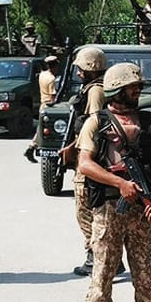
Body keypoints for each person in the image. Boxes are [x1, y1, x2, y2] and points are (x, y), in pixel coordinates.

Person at [78, 63, 151, 302]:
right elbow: (85, 164)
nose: (138, 91)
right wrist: (120, 183)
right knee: (104, 267)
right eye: (133, 87)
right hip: (109, 208)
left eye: (138, 87)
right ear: (117, 89)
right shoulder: (97, 122)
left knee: (145, 268)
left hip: (142, 210)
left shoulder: (149, 121)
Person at [54, 47, 119, 276]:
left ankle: (95, 256)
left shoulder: (95, 92)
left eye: (80, 68)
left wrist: (73, 147)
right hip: (92, 152)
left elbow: (94, 123)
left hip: (90, 155)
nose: (78, 72)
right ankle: (106, 256)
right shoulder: (95, 88)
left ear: (89, 68)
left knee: (85, 209)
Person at [24, 55, 60, 163]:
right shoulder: (51, 79)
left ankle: (31, 147)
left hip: (42, 104)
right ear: (54, 67)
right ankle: (31, 147)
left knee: (40, 128)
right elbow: (53, 96)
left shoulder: (42, 75)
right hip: (49, 106)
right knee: (44, 130)